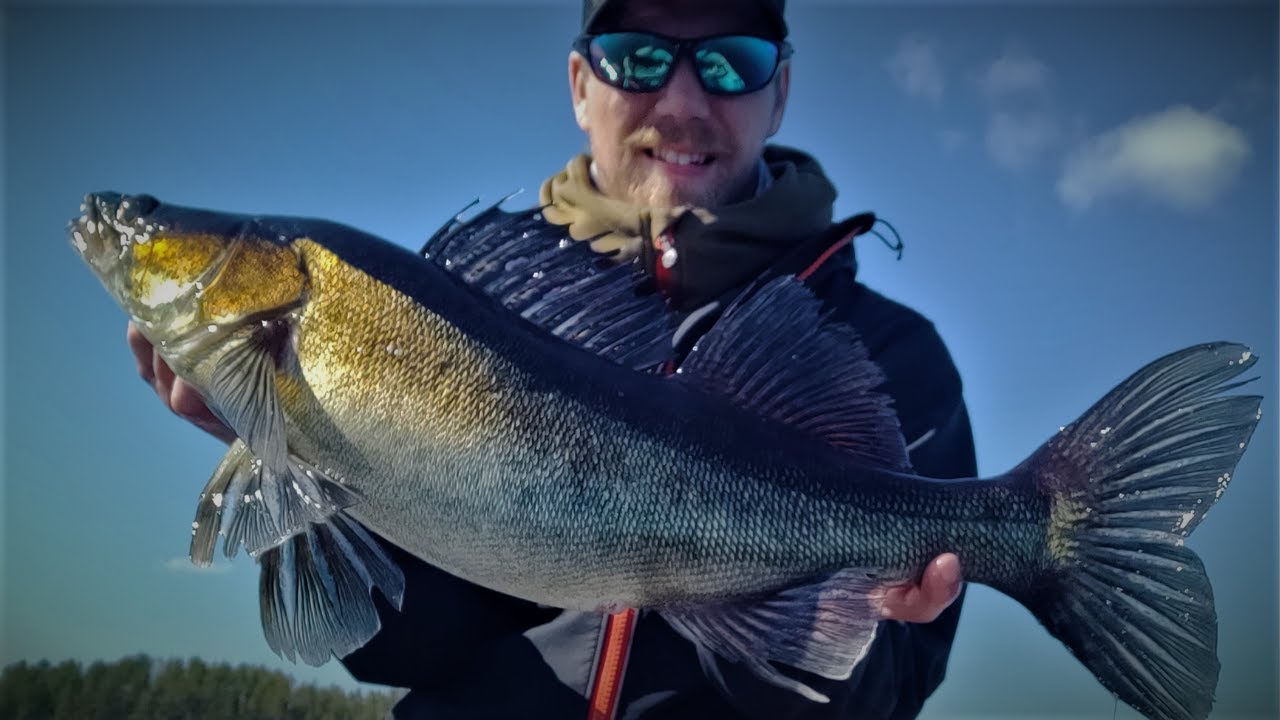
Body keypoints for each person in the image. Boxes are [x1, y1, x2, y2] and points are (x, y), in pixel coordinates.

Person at [128, 0, 977, 717]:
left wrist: (825, 625)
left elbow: (895, 689)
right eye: (637, 57)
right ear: (581, 85)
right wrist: (306, 452)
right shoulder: (451, 310)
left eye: (731, 62)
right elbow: (386, 648)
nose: (681, 100)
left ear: (780, 92)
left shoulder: (894, 356)